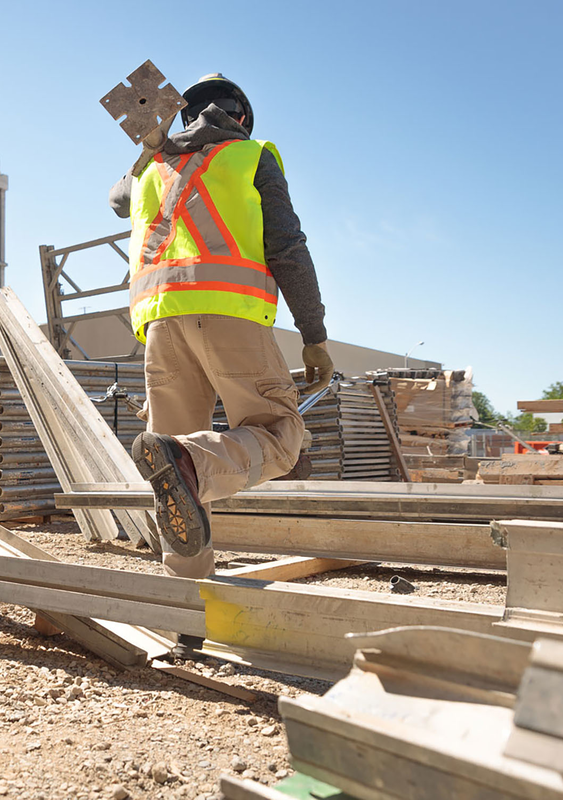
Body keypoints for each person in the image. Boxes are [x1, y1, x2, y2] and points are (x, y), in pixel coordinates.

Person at [109, 72, 332, 657]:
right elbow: (287, 246)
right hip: (230, 313)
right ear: (241, 119)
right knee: (280, 437)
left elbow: (115, 201)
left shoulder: (156, 164)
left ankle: (187, 616)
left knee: (176, 483)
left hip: (160, 323)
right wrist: (314, 334)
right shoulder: (251, 156)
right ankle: (188, 462)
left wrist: (152, 145)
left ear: (185, 117)